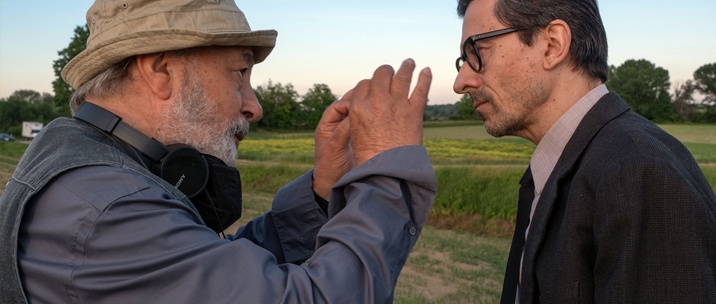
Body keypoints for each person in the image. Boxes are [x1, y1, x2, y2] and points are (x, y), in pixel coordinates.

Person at [0, 0, 436, 303]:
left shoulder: (90, 171)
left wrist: (320, 195)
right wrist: (384, 168)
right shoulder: (108, 210)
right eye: (240, 72)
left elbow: (212, 278)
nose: (253, 105)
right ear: (160, 70)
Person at [453, 0, 716, 303]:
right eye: (464, 60)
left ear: (552, 45)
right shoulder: (570, 165)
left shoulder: (636, 172)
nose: (462, 82)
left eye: (478, 51)